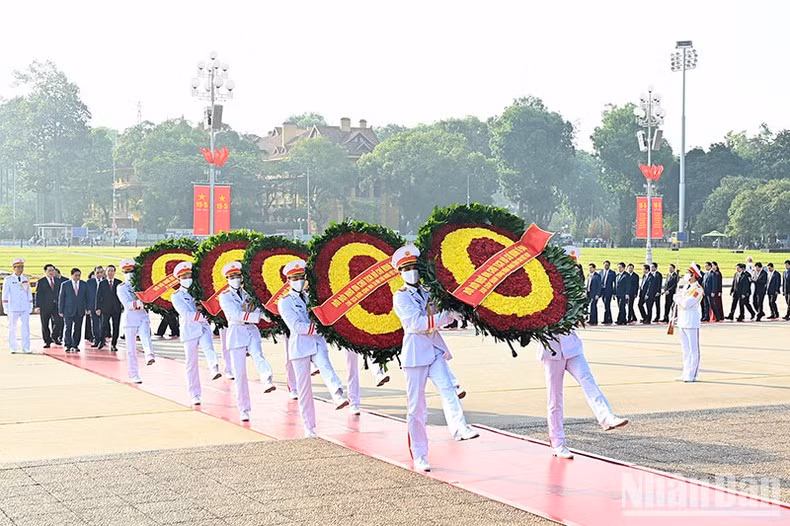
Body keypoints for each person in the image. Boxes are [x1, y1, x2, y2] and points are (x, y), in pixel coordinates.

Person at [391, 245, 478, 473]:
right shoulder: (400, 297)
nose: (412, 272)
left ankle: (460, 427)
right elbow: (415, 324)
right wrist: (445, 316)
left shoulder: (429, 291)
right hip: (415, 355)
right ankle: (420, 455)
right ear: (400, 272)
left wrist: (455, 314)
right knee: (417, 408)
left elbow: (441, 316)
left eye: (414, 267)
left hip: (434, 349)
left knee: (448, 388)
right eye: (407, 268)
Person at [279, 260, 353, 436]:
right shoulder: (285, 302)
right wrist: (320, 328)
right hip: (300, 347)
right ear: (288, 280)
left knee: (326, 366)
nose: (298, 281)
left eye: (301, 277)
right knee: (304, 390)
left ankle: (337, 395)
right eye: (294, 278)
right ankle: (309, 427)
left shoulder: (311, 297)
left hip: (317, 342)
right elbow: (296, 326)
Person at [537, 329, 629, 459]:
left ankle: (607, 417)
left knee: (588, 381)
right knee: (555, 398)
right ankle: (558, 443)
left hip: (572, 347)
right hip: (551, 350)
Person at [218, 261, 276, 422]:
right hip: (236, 332)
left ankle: (267, 379)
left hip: (251, 330)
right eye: (231, 277)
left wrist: (267, 315)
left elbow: (257, 309)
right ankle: (244, 409)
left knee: (258, 355)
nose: (235, 279)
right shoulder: (224, 297)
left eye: (237, 276)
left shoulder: (248, 295)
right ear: (227, 279)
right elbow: (234, 314)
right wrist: (258, 317)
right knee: (240, 373)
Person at [170, 262, 221, 405]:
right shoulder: (176, 296)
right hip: (189, 330)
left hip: (203, 327)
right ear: (179, 278)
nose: (188, 278)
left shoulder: (199, 291)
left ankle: (214, 368)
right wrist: (205, 316)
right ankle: (194, 394)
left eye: (189, 275)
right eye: (184, 276)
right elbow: (186, 314)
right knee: (191, 364)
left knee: (209, 348)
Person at [116, 259, 156, 383]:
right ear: (123, 272)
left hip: (142, 316)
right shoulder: (121, 287)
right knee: (131, 349)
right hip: (130, 319)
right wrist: (141, 302)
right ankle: (134, 374)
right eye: (127, 271)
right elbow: (127, 304)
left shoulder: (142, 285)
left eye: (131, 271)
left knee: (145, 335)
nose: (129, 273)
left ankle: (149, 355)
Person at [673, 263, 703, 382]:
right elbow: (681, 302)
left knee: (693, 349)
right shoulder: (686, 287)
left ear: (694, 275)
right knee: (685, 349)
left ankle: (692, 374)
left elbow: (687, 303)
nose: (686, 275)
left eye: (688, 273)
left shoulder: (698, 289)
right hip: (683, 320)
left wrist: (678, 299)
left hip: (691, 320)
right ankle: (685, 373)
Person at [4, 258, 33, 354]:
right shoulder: (8, 280)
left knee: (26, 327)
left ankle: (26, 347)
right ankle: (13, 347)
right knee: (12, 328)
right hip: (13, 307)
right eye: (19, 267)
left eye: (22, 267)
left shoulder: (26, 278)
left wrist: (30, 304)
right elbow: (5, 294)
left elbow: (28, 292)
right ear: (14, 268)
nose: (21, 269)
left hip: (24, 306)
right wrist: (6, 307)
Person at [58, 268, 89, 353]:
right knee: (68, 328)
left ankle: (75, 345)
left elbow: (87, 297)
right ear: (72, 275)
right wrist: (60, 310)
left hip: (80, 310)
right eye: (76, 275)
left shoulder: (84, 284)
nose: (77, 277)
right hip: (68, 310)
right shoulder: (65, 284)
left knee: (78, 328)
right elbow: (61, 298)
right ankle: (68, 345)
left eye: (79, 275)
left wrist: (87, 308)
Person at [96, 264, 123, 352]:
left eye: (112, 271)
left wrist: (122, 306)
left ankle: (114, 344)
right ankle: (101, 341)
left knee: (116, 327)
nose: (110, 273)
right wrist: (98, 308)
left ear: (115, 272)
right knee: (103, 326)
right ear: (106, 272)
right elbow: (98, 296)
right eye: (109, 271)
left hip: (116, 309)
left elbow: (122, 296)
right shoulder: (102, 283)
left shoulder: (119, 283)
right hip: (105, 308)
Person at [35, 264, 60, 349]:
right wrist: (37, 306)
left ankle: (55, 336)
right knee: (45, 324)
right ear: (45, 272)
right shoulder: (41, 281)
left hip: (56, 306)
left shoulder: (57, 281)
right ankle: (47, 341)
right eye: (49, 271)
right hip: (45, 306)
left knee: (58, 322)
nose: (51, 272)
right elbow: (38, 294)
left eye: (52, 270)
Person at [85, 266, 104, 348]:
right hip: (93, 306)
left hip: (104, 307)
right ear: (94, 273)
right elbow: (86, 296)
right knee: (95, 324)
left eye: (101, 272)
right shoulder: (89, 282)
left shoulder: (106, 281)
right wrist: (87, 307)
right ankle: (96, 340)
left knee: (104, 324)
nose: (99, 274)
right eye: (97, 272)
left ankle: (102, 340)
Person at [51, 268, 66, 344]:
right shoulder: (52, 280)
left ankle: (58, 336)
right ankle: (54, 336)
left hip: (60, 304)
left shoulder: (65, 280)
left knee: (60, 321)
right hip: (52, 304)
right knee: (53, 321)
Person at [599, 261, 615, 325]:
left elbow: (614, 283)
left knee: (607, 304)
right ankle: (609, 318)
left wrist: (614, 292)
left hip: (609, 291)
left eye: (607, 265)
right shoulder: (601, 272)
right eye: (605, 265)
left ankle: (606, 319)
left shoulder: (612, 273)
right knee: (606, 305)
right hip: (602, 291)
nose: (606, 266)